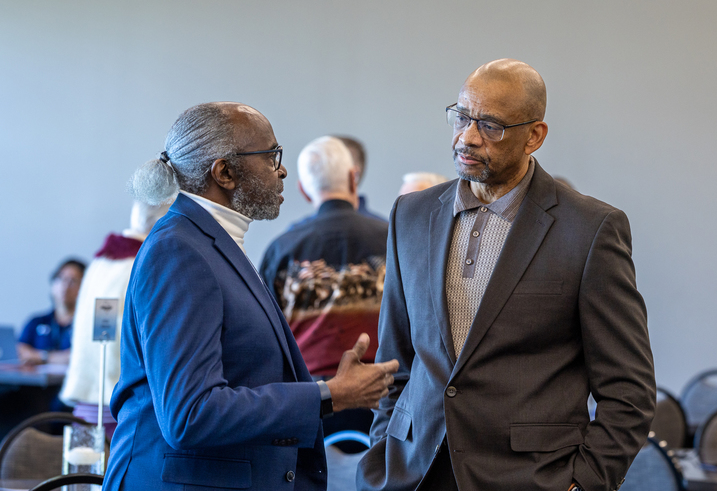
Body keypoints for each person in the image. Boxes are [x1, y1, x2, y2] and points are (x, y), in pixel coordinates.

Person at [357, 59, 656, 491]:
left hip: (529, 478)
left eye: (491, 126)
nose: (468, 137)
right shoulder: (411, 214)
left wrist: (585, 483)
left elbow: (628, 390)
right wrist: (383, 448)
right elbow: (396, 359)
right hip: (413, 472)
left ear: (534, 135)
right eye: (461, 117)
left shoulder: (590, 229)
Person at [104, 102, 398, 491]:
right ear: (224, 172)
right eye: (272, 156)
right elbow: (191, 413)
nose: (282, 171)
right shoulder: (180, 251)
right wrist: (329, 395)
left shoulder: (212, 243)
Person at [260, 136, 389, 440]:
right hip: (383, 394)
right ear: (352, 178)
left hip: (310, 399)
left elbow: (268, 334)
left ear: (303, 190)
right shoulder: (393, 239)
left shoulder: (282, 249)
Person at [60, 199, 171, 439]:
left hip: (88, 397)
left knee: (86, 473)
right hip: (119, 401)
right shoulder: (142, 262)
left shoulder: (100, 262)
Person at [17, 258, 86, 366]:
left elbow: (79, 357)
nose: (65, 286)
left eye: (72, 281)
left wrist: (40, 356)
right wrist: (56, 357)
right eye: (61, 278)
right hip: (35, 382)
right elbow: (20, 350)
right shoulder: (36, 321)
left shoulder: (87, 325)